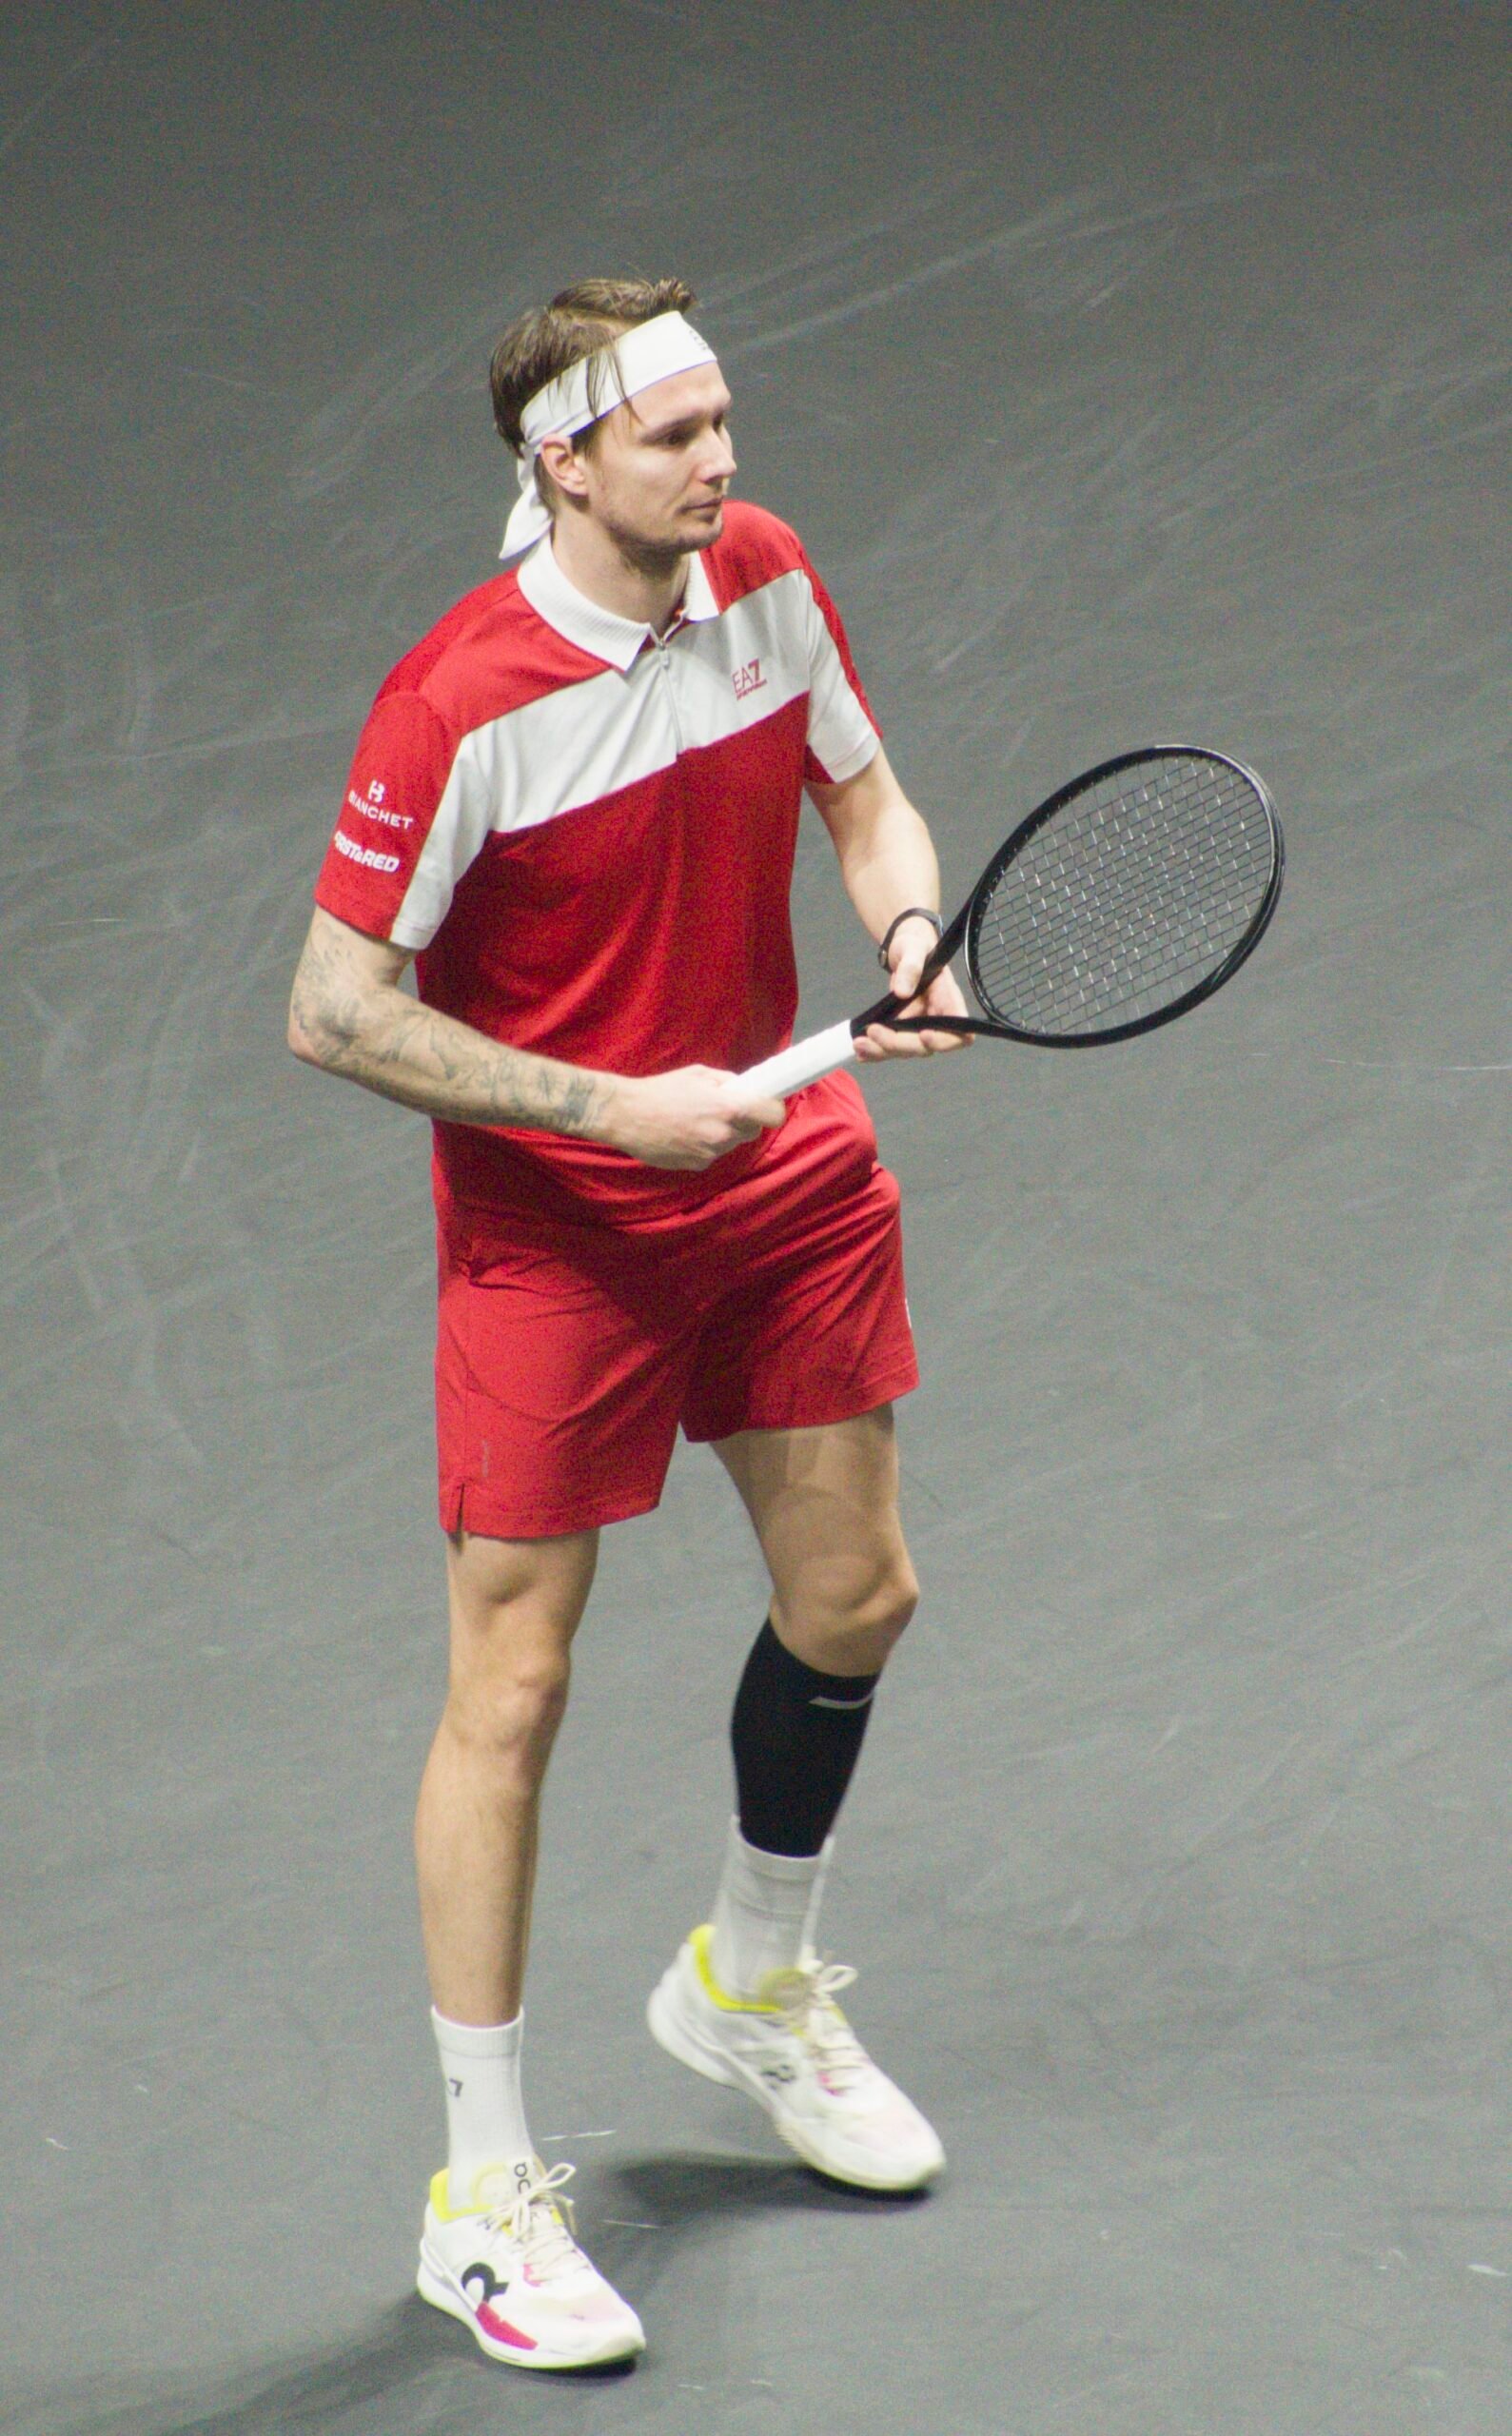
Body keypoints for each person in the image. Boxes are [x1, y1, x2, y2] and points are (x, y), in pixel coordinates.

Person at [287, 275, 970, 2372]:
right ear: (559, 460)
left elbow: (862, 795)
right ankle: (481, 2189)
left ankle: (751, 1982)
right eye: (674, 434)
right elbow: (332, 1007)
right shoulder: (457, 701)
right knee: (515, 1683)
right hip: (560, 1227)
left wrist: (912, 932)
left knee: (857, 1590)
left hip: (773, 1157)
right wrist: (607, 1105)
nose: (722, 459)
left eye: (725, 418)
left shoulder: (765, 581)